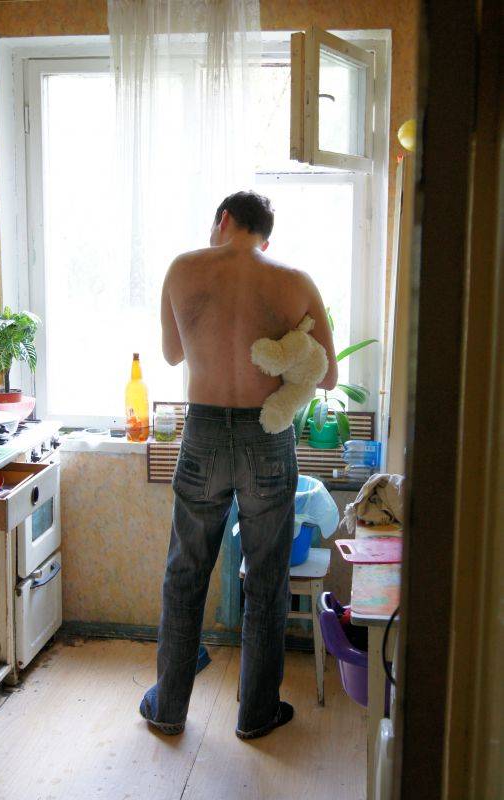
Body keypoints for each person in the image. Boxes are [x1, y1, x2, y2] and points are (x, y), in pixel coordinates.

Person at [140, 191, 337, 740]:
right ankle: (256, 715)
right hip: (265, 437)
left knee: (185, 575)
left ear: (223, 220)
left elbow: (173, 354)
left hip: (203, 432)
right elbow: (328, 376)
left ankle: (168, 709)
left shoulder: (183, 268)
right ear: (265, 238)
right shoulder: (294, 281)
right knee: (268, 581)